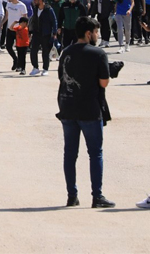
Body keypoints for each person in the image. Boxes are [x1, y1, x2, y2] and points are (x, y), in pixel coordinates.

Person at [56, 16, 114, 209]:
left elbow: (61, 77)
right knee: (95, 153)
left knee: (70, 153)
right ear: (89, 33)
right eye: (96, 32)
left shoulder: (66, 52)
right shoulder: (98, 53)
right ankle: (97, 196)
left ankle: (71, 195)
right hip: (89, 109)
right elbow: (103, 82)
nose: (97, 35)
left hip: (67, 107)